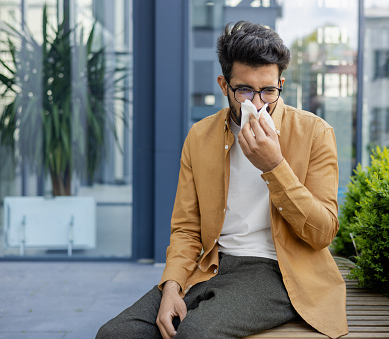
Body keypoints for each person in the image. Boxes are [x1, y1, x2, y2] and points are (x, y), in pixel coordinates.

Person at [97, 21, 348, 339]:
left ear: (281, 83)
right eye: (244, 90)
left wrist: (274, 166)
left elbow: (322, 232)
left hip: (279, 271)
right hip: (211, 265)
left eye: (268, 91)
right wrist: (171, 286)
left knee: (196, 334)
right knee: (117, 333)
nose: (257, 104)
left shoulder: (314, 132)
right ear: (223, 85)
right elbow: (186, 229)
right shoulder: (201, 135)